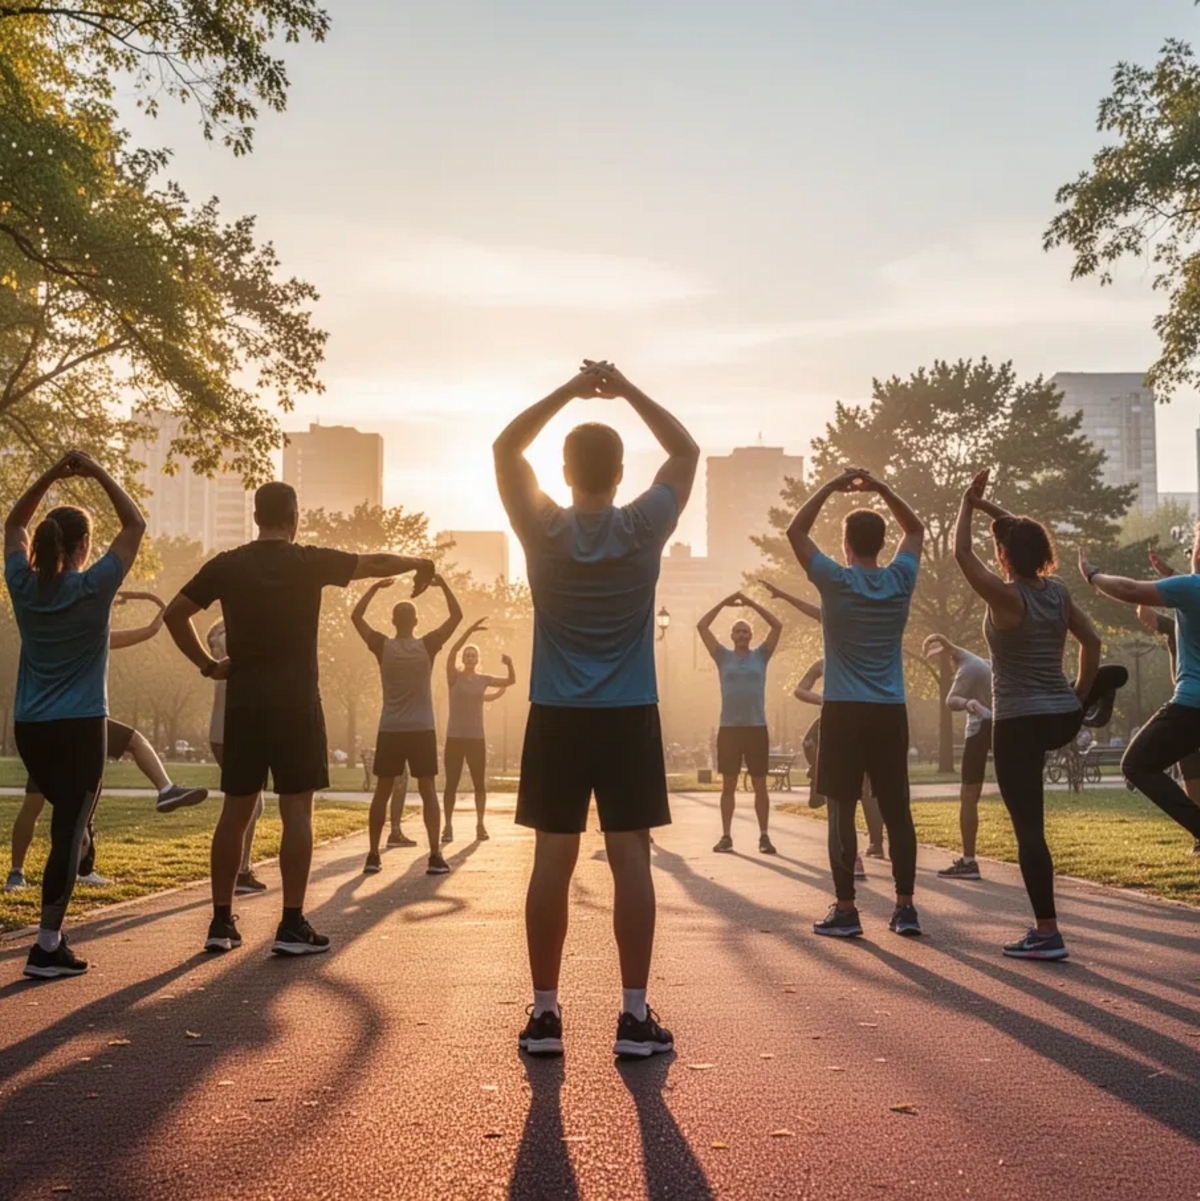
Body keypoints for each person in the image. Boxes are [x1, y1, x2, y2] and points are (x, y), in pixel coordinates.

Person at [496, 359, 698, 1059]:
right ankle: (634, 1017)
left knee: (551, 858)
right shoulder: (643, 524)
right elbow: (684, 451)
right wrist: (628, 388)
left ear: (564, 467)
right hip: (627, 709)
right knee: (630, 856)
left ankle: (546, 1015)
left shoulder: (542, 526)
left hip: (556, 710)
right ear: (619, 475)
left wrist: (568, 389)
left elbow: (503, 448)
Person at [163, 481, 435, 957]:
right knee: (297, 813)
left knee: (236, 812)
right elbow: (373, 563)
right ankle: (291, 924)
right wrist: (417, 562)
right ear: (294, 518)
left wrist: (208, 665)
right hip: (296, 705)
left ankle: (221, 921)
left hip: (244, 705)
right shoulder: (308, 561)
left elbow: (175, 614)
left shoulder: (228, 564)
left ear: (255, 516)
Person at [5, 450, 146, 978]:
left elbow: (15, 522)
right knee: (68, 828)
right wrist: (97, 471)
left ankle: (53, 934)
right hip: (82, 725)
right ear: (85, 546)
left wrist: (52, 473)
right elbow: (134, 523)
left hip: (31, 729)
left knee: (69, 822)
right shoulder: (94, 587)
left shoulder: (22, 584)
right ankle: (45, 946)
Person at [955, 469, 1105, 961]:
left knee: (1030, 832)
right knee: (1084, 688)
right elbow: (1094, 641)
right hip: (1062, 715)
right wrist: (1080, 696)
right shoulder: (1057, 591)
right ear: (1043, 554)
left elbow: (962, 555)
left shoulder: (1006, 596)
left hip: (1018, 722)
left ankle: (1046, 932)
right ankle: (1101, 694)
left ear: (1004, 556)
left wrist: (966, 503)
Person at [787, 466, 924, 939]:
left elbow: (796, 531)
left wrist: (829, 486)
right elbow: (916, 529)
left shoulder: (834, 580)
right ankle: (905, 908)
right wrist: (884, 487)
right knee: (897, 808)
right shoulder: (900, 578)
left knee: (841, 808)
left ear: (846, 545)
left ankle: (847, 909)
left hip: (843, 709)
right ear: (881, 543)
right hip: (889, 709)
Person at [5, 593, 208, 893]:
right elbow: (126, 634)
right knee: (126, 750)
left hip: (47, 725)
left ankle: (22, 873)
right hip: (80, 721)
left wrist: (123, 613)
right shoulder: (87, 633)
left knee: (49, 801)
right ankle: (165, 790)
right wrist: (152, 624)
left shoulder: (46, 632)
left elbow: (94, 622)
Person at [1080, 530, 1200, 868]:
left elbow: (1128, 589)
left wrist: (1092, 574)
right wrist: (1172, 575)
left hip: (1193, 705)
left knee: (1136, 764)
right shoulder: (1189, 589)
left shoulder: (1191, 589)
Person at [352, 573, 462, 875]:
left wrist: (373, 587)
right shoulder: (427, 645)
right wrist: (442, 585)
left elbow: (356, 616)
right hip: (422, 727)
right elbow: (457, 615)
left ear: (392, 621)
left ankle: (373, 855)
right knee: (428, 790)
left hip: (391, 728)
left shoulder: (382, 645)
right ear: (415, 622)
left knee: (382, 791)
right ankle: (435, 855)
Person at [696, 591, 782, 855]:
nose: (742, 635)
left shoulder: (761, 656)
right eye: (738, 631)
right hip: (730, 729)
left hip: (756, 727)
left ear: (751, 636)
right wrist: (723, 603)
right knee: (728, 786)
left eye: (746, 631)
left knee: (759, 785)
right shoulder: (722, 656)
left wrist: (752, 604)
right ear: (732, 637)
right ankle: (726, 836)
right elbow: (702, 626)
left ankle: (764, 836)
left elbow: (777, 626)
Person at [793, 657, 885, 881]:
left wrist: (825, 699)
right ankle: (871, 845)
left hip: (850, 722)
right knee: (859, 788)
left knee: (844, 794)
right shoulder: (835, 659)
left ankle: (853, 855)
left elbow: (800, 690)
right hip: (848, 718)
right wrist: (824, 699)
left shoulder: (835, 660)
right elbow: (799, 690)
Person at [1135, 546, 1200, 855]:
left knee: (1138, 764)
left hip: (1190, 703)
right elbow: (1146, 613)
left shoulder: (1188, 603)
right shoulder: (1177, 616)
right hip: (1187, 702)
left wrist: (1137, 588)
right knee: (1191, 771)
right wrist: (1163, 580)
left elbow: (1191, 587)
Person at [923, 633, 993, 881]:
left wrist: (967, 702)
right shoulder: (983, 661)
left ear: (948, 654)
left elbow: (950, 700)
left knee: (968, 795)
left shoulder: (968, 667)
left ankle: (968, 861)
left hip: (980, 729)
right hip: (998, 724)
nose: (948, 668)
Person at [206, 619, 266, 895]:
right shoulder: (236, 634)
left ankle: (241, 868)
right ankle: (240, 871)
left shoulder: (219, 633)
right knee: (246, 804)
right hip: (233, 727)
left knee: (249, 803)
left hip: (225, 728)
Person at [443, 618, 516, 844]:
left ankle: (480, 825)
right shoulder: (454, 677)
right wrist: (469, 631)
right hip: (455, 737)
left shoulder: (483, 680)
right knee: (451, 784)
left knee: (478, 784)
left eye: (473, 655)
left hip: (476, 738)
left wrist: (509, 663)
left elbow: (510, 681)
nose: (470, 658)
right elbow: (452, 650)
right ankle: (447, 826)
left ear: (478, 660)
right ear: (463, 659)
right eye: (467, 655)